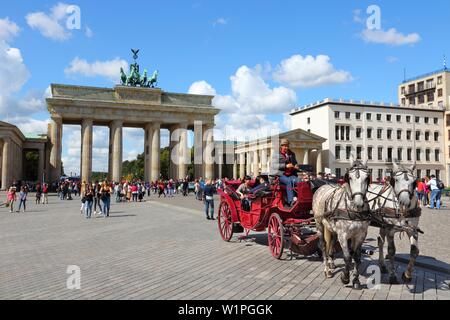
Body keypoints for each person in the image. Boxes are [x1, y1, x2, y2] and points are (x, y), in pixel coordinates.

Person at [270, 139, 300, 206]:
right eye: (285, 146)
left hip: (291, 174)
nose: (286, 147)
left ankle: (300, 199)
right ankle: (291, 201)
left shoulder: (292, 154)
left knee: (300, 181)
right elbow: (273, 166)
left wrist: (296, 166)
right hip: (280, 175)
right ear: (281, 146)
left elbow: (295, 163)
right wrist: (285, 166)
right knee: (288, 181)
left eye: (287, 146)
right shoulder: (276, 154)